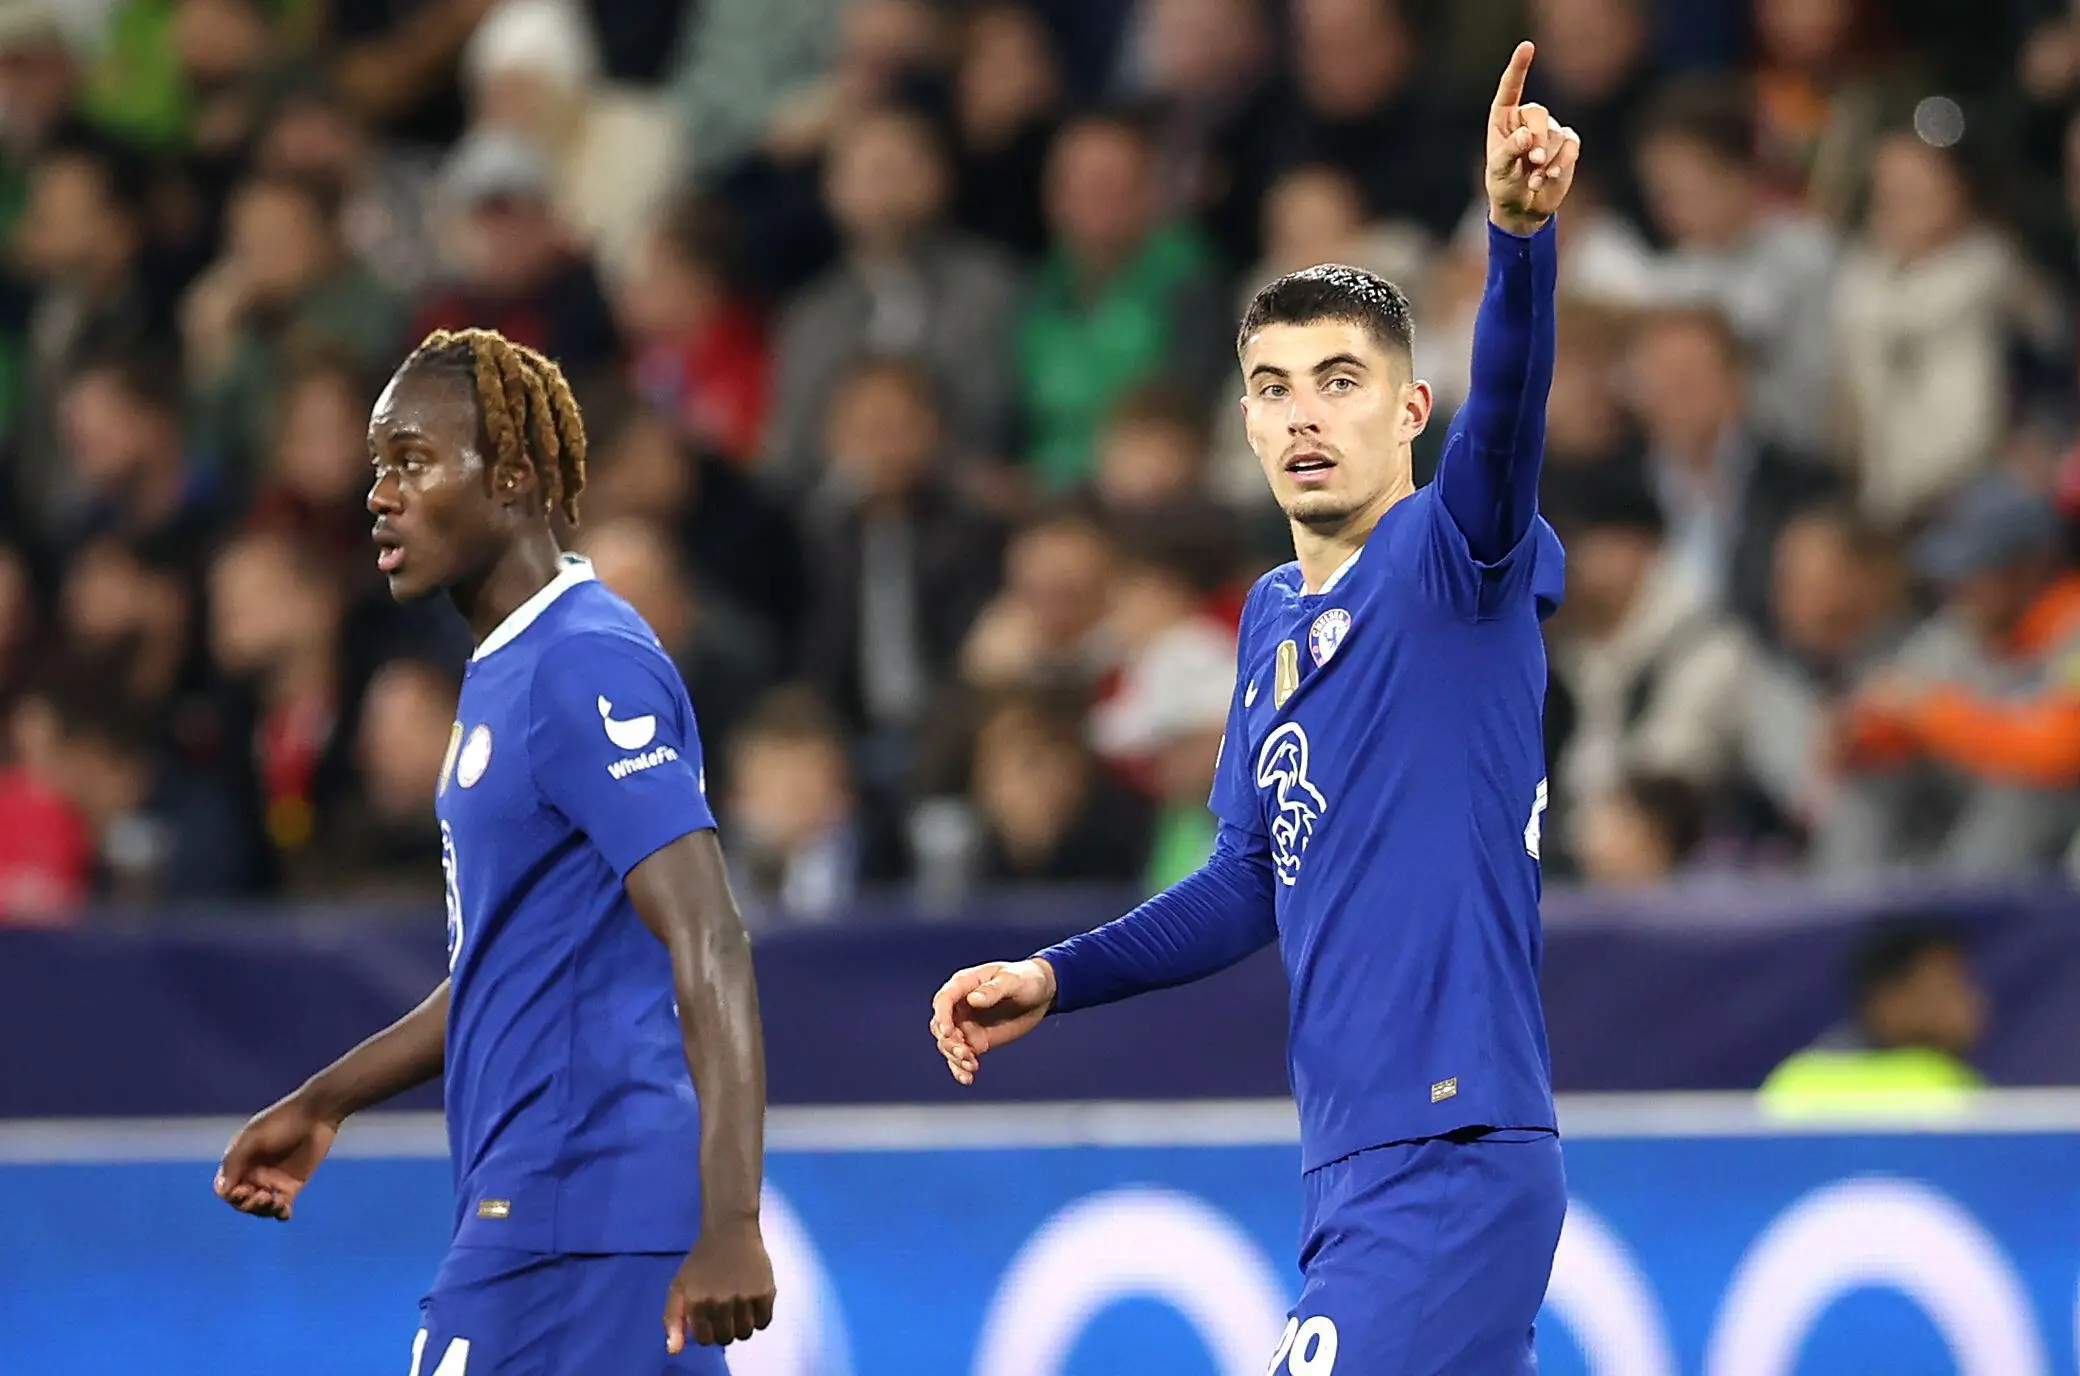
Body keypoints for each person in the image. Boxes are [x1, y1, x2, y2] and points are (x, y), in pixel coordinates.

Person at [931, 43, 1579, 1374]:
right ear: (1243, 421)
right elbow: (1244, 880)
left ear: (1408, 408)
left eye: (1341, 381)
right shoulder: (1272, 622)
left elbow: (1507, 416)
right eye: (1276, 388)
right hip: (1352, 1165)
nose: (1305, 415)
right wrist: (1061, 976)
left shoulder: (1456, 560)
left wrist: (1518, 244)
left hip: (1450, 1150)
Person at [212, 327, 775, 1371]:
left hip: (574, 1209)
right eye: (378, 464)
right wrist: (328, 1096)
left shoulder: (583, 662)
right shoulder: (508, 668)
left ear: (512, 475)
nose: (379, 493)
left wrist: (733, 1214)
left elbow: (709, 933)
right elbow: (510, 960)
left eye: (413, 460)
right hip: (569, 1208)